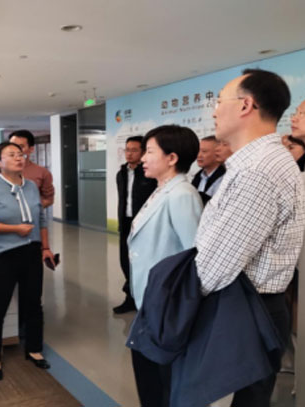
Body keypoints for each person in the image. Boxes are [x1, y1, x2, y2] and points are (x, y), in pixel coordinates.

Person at [195, 69, 305, 407]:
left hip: (248, 309)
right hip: (253, 306)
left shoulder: (257, 171)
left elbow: (219, 264)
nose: (214, 111)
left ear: (246, 105)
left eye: (219, 101)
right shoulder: (258, 162)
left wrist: (180, 305)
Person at [128, 125, 203, 407]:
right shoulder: (161, 190)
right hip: (152, 300)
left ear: (171, 158)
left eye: (149, 152)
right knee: (148, 374)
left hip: (167, 304)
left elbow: (193, 256)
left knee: (162, 380)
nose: (143, 158)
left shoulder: (182, 195)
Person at [0, 141, 55, 382]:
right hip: (2, 256)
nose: (19, 158)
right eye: (11, 154)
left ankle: (34, 349)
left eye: (20, 154)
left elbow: (41, 218)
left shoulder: (30, 186)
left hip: (31, 253)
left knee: (34, 304)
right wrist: (15, 229)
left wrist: (46, 247)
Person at [114, 135, 157, 314]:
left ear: (143, 152)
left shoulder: (149, 174)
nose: (129, 153)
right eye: (127, 150)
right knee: (126, 262)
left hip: (144, 225)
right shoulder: (121, 174)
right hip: (126, 223)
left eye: (134, 150)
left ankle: (146, 300)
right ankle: (130, 298)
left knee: (144, 263)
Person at [191, 135, 226, 204]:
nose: (199, 155)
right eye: (198, 151)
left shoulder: (224, 178)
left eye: (204, 151)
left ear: (218, 153)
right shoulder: (197, 177)